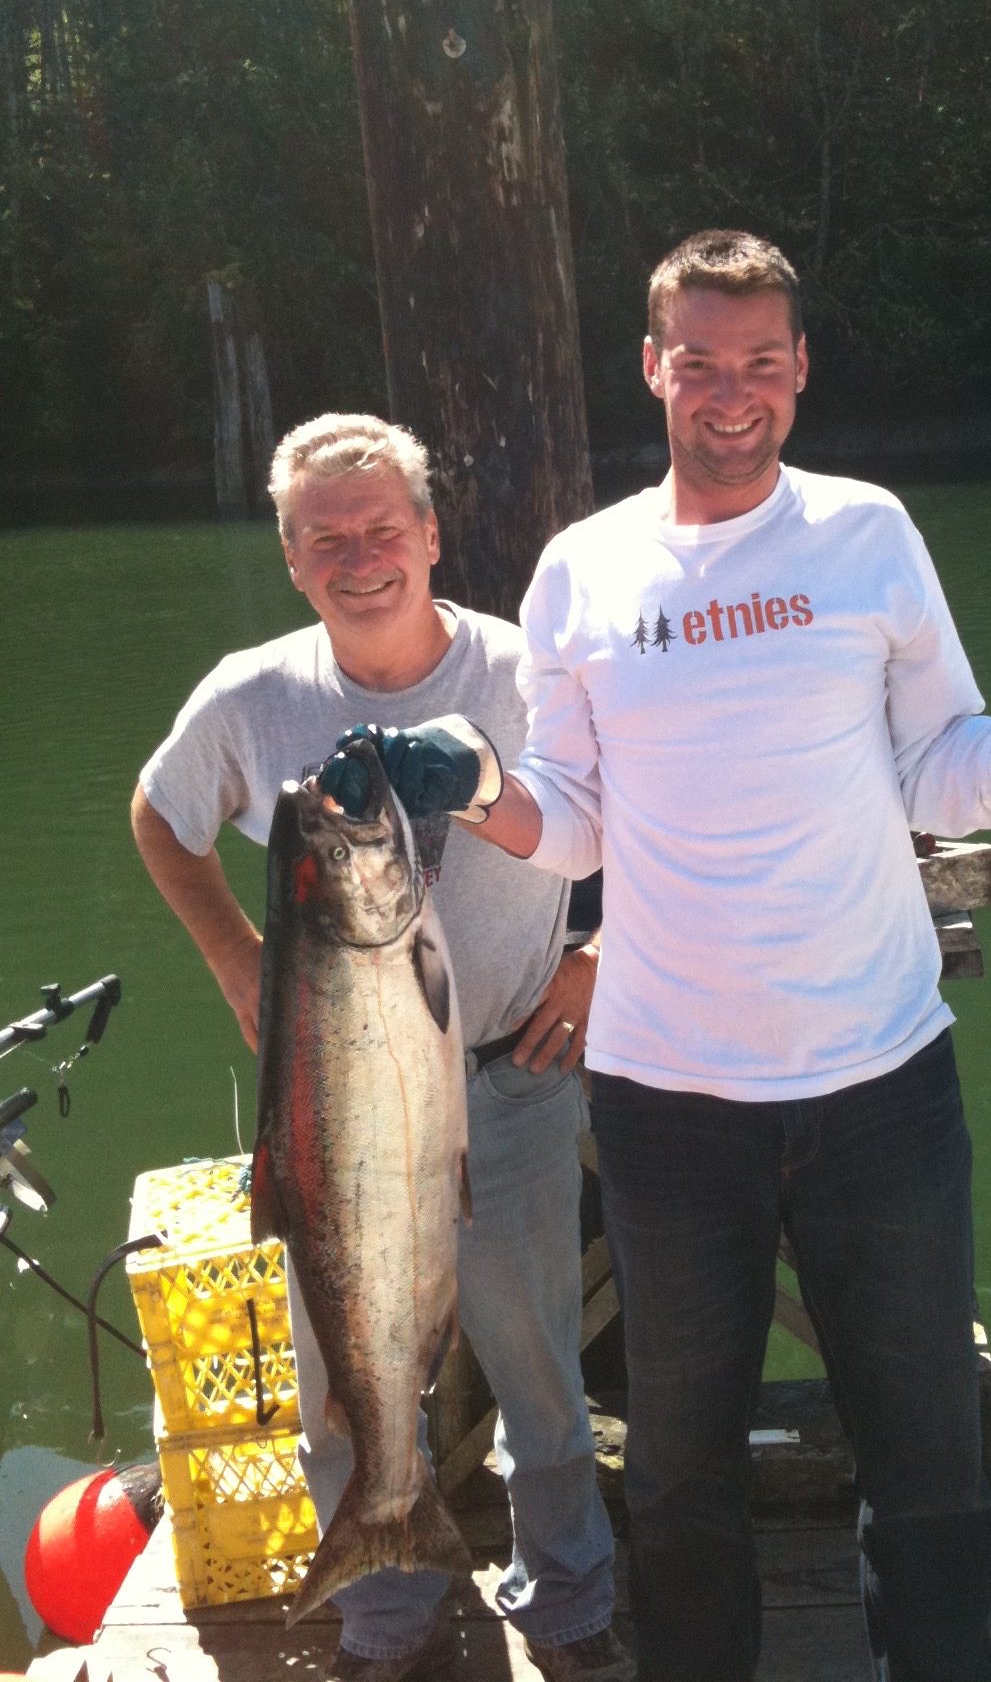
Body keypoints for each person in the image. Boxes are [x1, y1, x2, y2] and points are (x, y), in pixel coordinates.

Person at [322, 234, 991, 1682]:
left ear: (798, 372)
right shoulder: (581, 569)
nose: (735, 394)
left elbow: (934, 766)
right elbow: (575, 821)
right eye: (703, 362)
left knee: (926, 1455)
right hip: (668, 1108)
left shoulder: (867, 533)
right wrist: (467, 778)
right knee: (673, 1472)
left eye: (763, 364)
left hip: (882, 1090)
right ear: (654, 365)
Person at [130, 413, 632, 1682]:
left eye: (383, 527)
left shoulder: (534, 672)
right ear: (293, 558)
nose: (361, 555)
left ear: (431, 533)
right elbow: (161, 816)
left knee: (537, 1367)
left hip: (511, 1075)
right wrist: (240, 957)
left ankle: (568, 1596)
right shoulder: (249, 695)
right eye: (327, 537)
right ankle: (386, 1605)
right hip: (328, 1107)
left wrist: (596, 952)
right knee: (340, 1356)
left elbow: (652, 811)